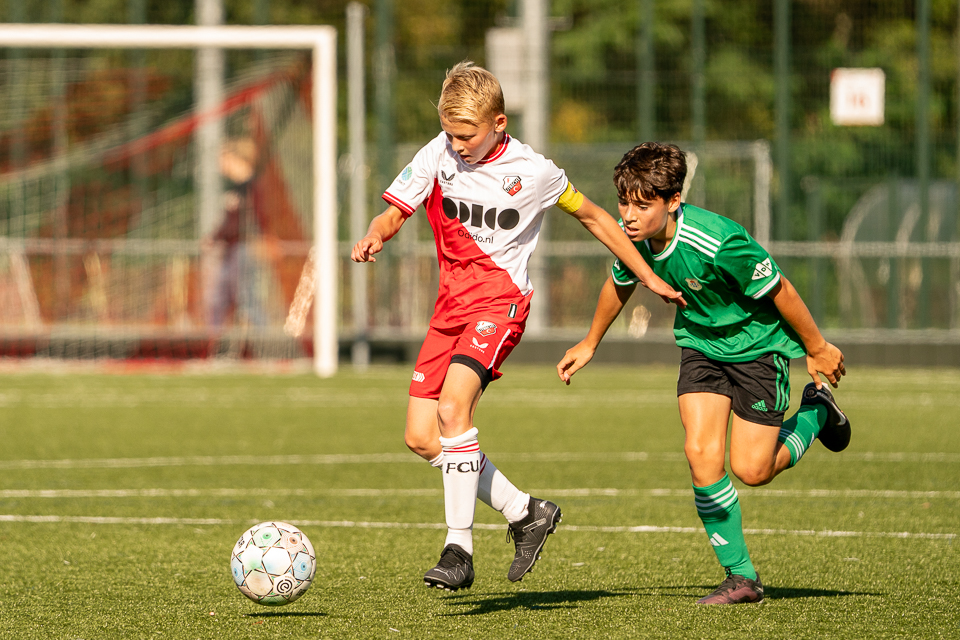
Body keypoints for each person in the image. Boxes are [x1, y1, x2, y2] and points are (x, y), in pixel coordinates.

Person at [352, 63, 685, 592]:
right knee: (421, 437)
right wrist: (376, 234)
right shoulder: (436, 152)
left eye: (467, 135)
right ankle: (525, 510)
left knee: (451, 409)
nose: (458, 145)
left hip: (500, 304)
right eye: (451, 133)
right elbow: (394, 211)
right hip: (450, 310)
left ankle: (458, 548)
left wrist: (647, 275)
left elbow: (597, 218)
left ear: (499, 123)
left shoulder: (534, 172)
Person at [556, 142, 851, 604]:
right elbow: (620, 282)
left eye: (642, 204)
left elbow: (781, 289)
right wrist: (590, 342)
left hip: (756, 351)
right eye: (623, 203)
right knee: (700, 454)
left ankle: (814, 412)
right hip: (700, 348)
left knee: (751, 470)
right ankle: (742, 578)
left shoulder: (718, 241)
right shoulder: (633, 240)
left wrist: (816, 347)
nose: (628, 215)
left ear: (673, 200)